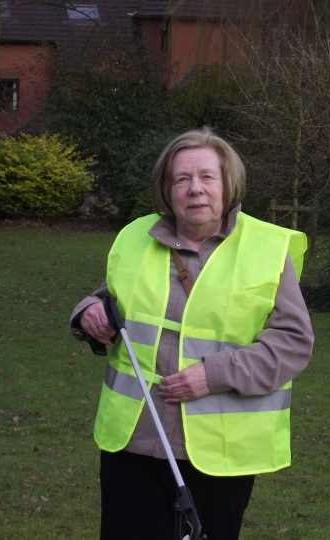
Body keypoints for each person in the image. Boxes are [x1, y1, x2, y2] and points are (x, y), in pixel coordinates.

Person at [69, 127, 314, 540]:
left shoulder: (266, 249)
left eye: (206, 177)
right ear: (167, 189)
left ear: (227, 184)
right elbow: (110, 299)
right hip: (133, 446)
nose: (194, 189)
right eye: (181, 179)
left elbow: (293, 344)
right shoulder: (136, 239)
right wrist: (87, 313)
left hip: (218, 455)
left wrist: (213, 375)